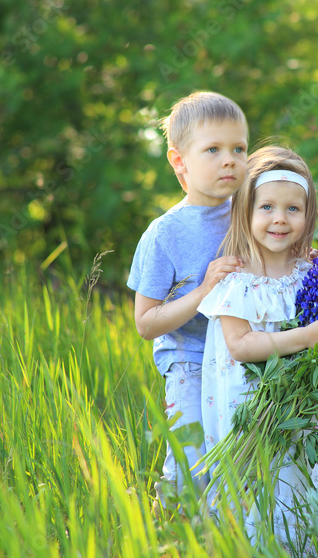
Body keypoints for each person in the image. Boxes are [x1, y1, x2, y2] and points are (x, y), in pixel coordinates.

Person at [197, 145, 318, 547]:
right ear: (246, 212)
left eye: (293, 209)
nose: (279, 219)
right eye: (267, 207)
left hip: (300, 411)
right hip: (250, 410)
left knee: (299, 481)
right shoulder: (235, 279)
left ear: (307, 217)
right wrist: (308, 336)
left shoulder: (314, 274)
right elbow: (241, 345)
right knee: (252, 485)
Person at [127, 91, 249, 509]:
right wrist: (202, 293)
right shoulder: (165, 234)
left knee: (240, 464)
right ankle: (175, 536)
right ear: (179, 160)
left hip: (244, 356)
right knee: (191, 462)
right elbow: (146, 323)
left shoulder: (251, 212)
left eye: (238, 148)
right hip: (191, 359)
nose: (229, 159)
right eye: (212, 149)